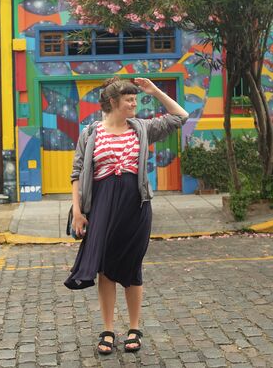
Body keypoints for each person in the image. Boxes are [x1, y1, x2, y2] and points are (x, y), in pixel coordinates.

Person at [65, 76, 188, 355]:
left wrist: (154, 90)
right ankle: (107, 330)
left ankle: (134, 328)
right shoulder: (90, 133)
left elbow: (181, 116)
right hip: (102, 207)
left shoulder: (142, 128)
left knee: (132, 267)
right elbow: (76, 174)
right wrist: (77, 211)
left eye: (136, 99)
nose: (135, 103)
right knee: (105, 269)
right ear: (113, 102)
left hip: (136, 206)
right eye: (130, 99)